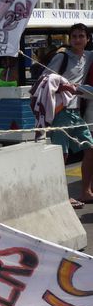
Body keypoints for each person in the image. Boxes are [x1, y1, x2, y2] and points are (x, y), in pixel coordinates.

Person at [45, 23, 93, 208]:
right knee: (62, 155)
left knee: (90, 149)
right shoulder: (62, 57)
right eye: (74, 36)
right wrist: (62, 85)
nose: (78, 39)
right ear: (69, 39)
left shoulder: (88, 56)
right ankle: (61, 197)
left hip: (75, 112)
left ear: (87, 39)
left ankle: (86, 192)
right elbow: (46, 78)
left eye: (81, 36)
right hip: (61, 111)